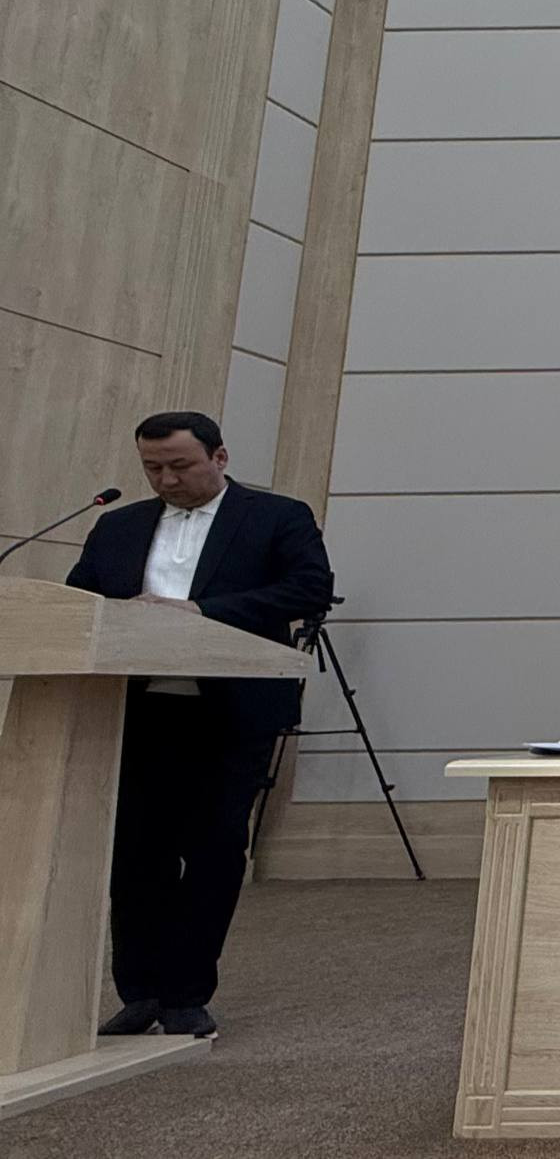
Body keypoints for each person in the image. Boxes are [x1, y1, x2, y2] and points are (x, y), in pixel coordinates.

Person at [64, 411, 335, 1041]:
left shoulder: (276, 516)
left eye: (180, 466)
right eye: (152, 468)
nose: (166, 480)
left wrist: (200, 611)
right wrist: (122, 616)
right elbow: (81, 600)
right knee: (136, 853)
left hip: (230, 710)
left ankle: (187, 993)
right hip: (138, 710)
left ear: (219, 457)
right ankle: (140, 991)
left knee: (213, 849)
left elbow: (307, 589)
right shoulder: (118, 525)